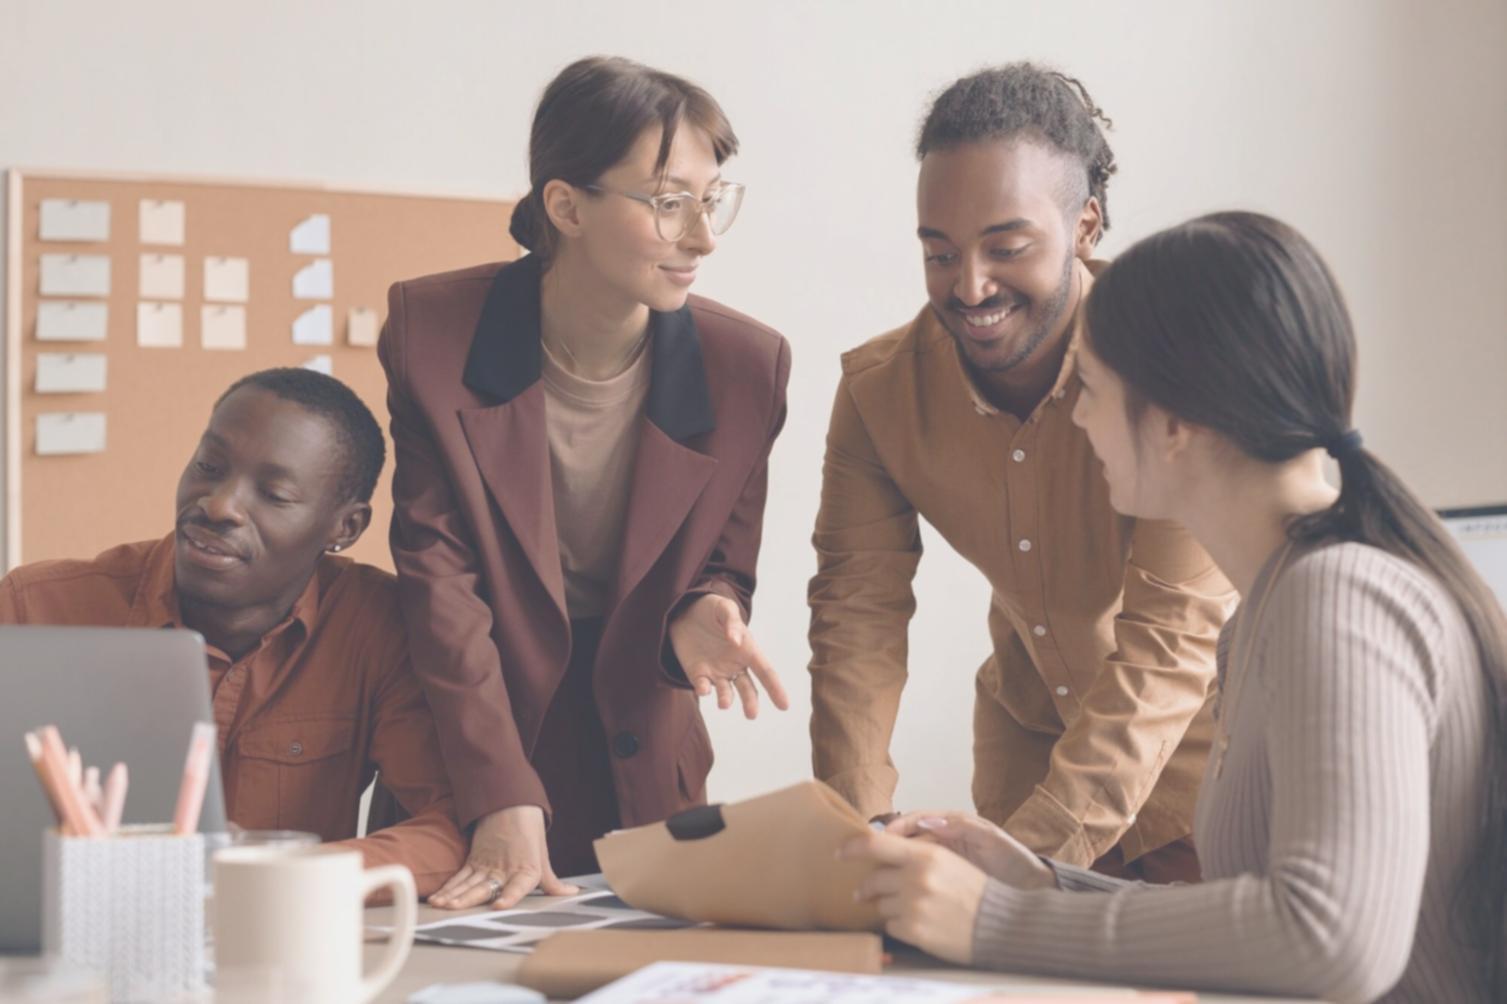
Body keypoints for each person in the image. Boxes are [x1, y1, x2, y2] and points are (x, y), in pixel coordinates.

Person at [843, 212, 1504, 1002]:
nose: (1077, 417)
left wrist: (991, 922)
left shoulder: (1337, 599)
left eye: (1087, 386)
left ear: (1175, 424)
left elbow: (1330, 940)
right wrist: (1039, 888)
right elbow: (1268, 922)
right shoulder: (1273, 604)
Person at [380, 55, 792, 910]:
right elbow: (439, 584)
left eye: (711, 202)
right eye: (668, 202)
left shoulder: (747, 368)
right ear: (565, 205)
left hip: (643, 739)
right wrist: (499, 788)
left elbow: (724, 558)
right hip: (478, 731)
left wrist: (705, 606)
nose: (702, 238)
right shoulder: (433, 335)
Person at [808, 62, 1232, 881]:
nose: (968, 286)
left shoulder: (1177, 374)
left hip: (1210, 771)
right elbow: (854, 614)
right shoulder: (878, 392)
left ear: (1085, 226)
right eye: (938, 253)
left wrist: (1024, 859)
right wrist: (859, 824)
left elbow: (1170, 641)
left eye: (1006, 248)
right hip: (1026, 760)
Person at [0, 368, 468, 900]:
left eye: (274, 494)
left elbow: (453, 828)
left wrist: (277, 874)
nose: (218, 506)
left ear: (345, 527)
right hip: (62, 943)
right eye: (208, 466)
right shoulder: (34, 607)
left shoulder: (376, 626)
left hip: (274, 946)